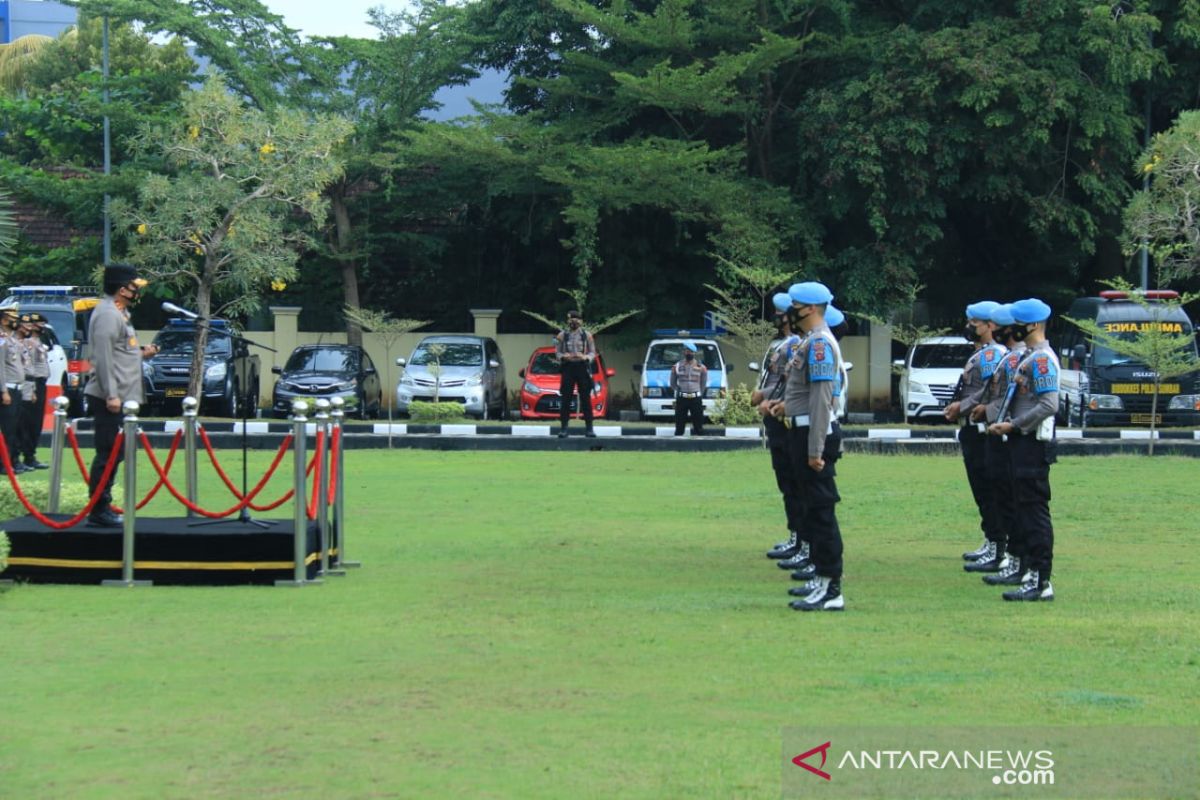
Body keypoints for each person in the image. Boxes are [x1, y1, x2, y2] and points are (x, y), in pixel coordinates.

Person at [770, 281, 846, 612]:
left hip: (812, 435)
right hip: (800, 430)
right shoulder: (812, 343)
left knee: (820, 512)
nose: (791, 311)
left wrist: (814, 449)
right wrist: (786, 405)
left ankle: (832, 588)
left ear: (811, 309)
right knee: (811, 512)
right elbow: (805, 396)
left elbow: (821, 400)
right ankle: (821, 578)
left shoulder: (819, 346)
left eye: (797, 305)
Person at [987, 298, 1059, 602]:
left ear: (1033, 325)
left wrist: (1014, 425)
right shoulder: (1030, 356)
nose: (1010, 329)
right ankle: (1030, 573)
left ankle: (1041, 581)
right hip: (1021, 444)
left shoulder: (1042, 360)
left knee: (1033, 512)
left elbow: (1048, 404)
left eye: (1017, 322)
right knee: (1022, 510)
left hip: (1031, 444)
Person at [84, 263, 158, 527]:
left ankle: (102, 505)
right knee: (108, 453)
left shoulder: (120, 313)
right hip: (109, 397)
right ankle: (98, 509)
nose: (137, 291)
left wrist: (141, 353)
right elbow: (102, 358)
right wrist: (111, 395)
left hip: (122, 395)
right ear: (121, 288)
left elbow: (119, 353)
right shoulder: (107, 314)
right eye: (134, 286)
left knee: (116, 454)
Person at [944, 301, 1007, 572]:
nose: (970, 327)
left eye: (975, 323)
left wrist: (963, 407)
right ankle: (991, 539)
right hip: (972, 428)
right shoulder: (980, 353)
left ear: (990, 326)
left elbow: (986, 393)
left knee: (988, 489)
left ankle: (997, 544)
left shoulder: (993, 355)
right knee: (981, 489)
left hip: (983, 431)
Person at [972, 304, 1025, 588]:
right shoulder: (1011, 358)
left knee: (1009, 500)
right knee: (996, 495)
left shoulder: (1015, 358)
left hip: (1007, 435)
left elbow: (1009, 398)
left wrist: (988, 413)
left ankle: (1009, 555)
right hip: (997, 431)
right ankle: (1003, 551)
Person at [759, 293, 805, 561]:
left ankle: (800, 539)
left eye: (780, 312)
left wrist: (767, 397)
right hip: (775, 418)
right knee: (786, 483)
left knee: (794, 484)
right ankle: (795, 536)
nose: (777, 317)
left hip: (784, 419)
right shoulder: (783, 344)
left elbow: (791, 385)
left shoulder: (795, 345)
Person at [555, 310, 596, 438]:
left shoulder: (587, 335)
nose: (573, 321)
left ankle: (589, 428)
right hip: (568, 368)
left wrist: (585, 357)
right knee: (566, 398)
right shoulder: (562, 336)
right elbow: (557, 353)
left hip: (582, 367)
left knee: (586, 399)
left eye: (576, 319)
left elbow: (593, 353)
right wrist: (563, 356)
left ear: (581, 321)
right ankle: (564, 429)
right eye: (571, 319)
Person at [18, 313, 50, 470]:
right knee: (29, 421)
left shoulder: (38, 341)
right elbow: (27, 367)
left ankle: (30, 454)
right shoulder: (28, 343)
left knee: (36, 422)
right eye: (38, 324)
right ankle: (27, 455)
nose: (41, 327)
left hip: (41, 382)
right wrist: (32, 388)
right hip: (33, 383)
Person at [0, 306, 24, 474]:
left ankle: (9, 462)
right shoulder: (2, 340)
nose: (15, 321)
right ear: (3, 320)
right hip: (7, 387)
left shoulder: (11, 339)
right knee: (6, 429)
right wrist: (3, 391)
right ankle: (3, 464)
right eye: (11, 318)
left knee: (13, 428)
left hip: (17, 387)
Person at [670, 340, 707, 436]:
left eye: (690, 351)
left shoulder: (701, 367)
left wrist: (699, 393)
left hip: (696, 398)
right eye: (687, 351)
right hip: (682, 398)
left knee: (698, 425)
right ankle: (678, 447)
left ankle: (700, 447)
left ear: (694, 353)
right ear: (684, 352)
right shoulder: (677, 366)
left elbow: (703, 383)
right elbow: (672, 383)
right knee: (679, 425)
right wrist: (678, 390)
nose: (688, 353)